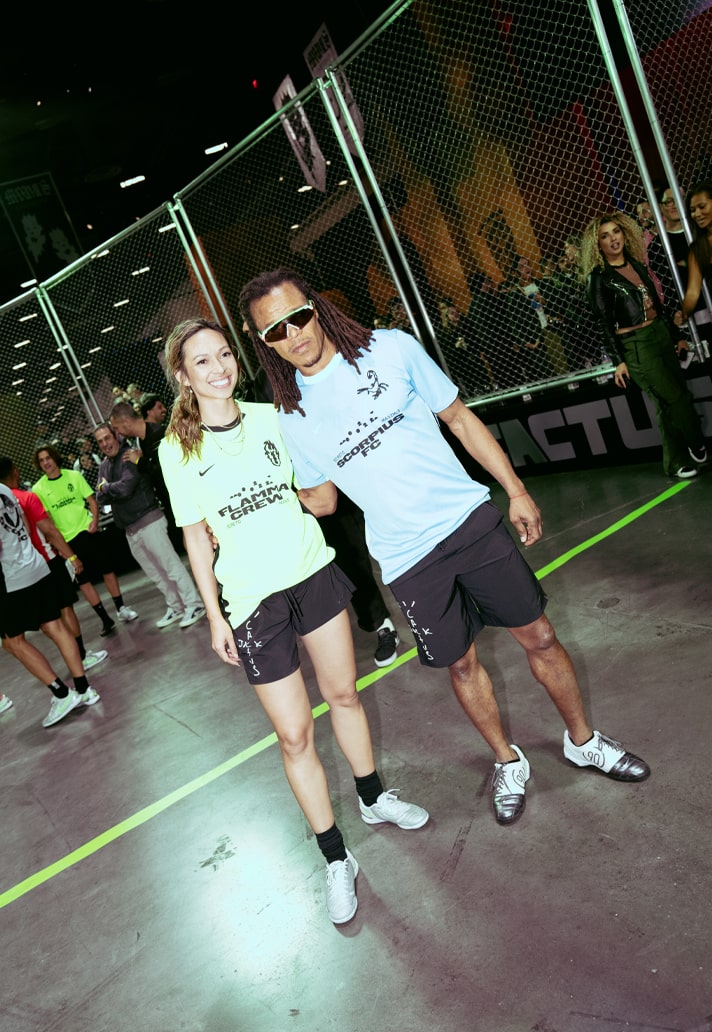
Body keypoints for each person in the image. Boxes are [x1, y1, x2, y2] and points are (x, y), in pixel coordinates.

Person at [238, 267, 651, 830]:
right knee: (461, 664)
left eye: (298, 317)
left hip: (467, 522)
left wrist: (515, 490)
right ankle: (507, 761)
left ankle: (584, 742)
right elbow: (324, 500)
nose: (293, 335)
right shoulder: (292, 416)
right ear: (264, 343)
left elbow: (458, 417)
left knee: (540, 636)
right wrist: (252, 506)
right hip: (406, 559)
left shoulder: (390, 348)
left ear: (317, 307)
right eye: (275, 331)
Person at [158, 317, 429, 925]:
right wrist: (214, 616)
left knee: (344, 696)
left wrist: (307, 498)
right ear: (183, 376)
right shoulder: (176, 450)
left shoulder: (272, 417)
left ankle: (373, 797)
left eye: (224, 354)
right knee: (294, 736)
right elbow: (196, 537)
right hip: (253, 603)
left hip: (312, 573)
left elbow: (317, 488)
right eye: (202, 361)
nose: (219, 368)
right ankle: (335, 857)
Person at [250, 365, 400, 668]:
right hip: (305, 487)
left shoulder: (310, 360)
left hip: (344, 469)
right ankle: (378, 625)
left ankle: (416, 607)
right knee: (343, 561)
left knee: (383, 541)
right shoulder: (261, 382)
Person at [581, 212, 707, 479]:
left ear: (625, 234)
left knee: (669, 401)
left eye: (616, 231)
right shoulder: (599, 278)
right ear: (597, 244)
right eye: (605, 236)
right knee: (674, 398)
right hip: (636, 344)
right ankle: (696, 443)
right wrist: (618, 361)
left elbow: (658, 306)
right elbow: (603, 322)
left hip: (659, 333)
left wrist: (676, 336)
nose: (613, 239)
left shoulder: (637, 265)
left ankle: (676, 462)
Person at [0, 483, 101, 728]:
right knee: (54, 626)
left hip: (11, 578)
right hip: (36, 566)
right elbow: (24, 526)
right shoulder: (4, 489)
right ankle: (84, 689)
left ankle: (62, 694)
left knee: (12, 641)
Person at [0, 456, 108, 672]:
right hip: (46, 561)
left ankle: (74, 663)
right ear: (15, 471)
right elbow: (49, 531)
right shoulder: (26, 498)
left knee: (47, 624)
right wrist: (71, 556)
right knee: (65, 611)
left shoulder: (8, 501)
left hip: (19, 572)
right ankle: (81, 658)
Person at [93, 423, 205, 629]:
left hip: (149, 521)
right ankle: (176, 606)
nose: (105, 444)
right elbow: (99, 497)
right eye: (100, 441)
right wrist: (106, 489)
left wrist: (106, 487)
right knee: (157, 575)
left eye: (107, 438)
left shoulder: (129, 455)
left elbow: (125, 488)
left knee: (171, 567)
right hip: (130, 530)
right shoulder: (104, 465)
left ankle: (194, 604)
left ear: (115, 435)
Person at [31, 444, 139, 635]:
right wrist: (60, 547)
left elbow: (91, 500)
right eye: (41, 460)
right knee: (84, 581)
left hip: (87, 531)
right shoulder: (38, 489)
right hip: (67, 541)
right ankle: (105, 619)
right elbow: (47, 521)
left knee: (107, 570)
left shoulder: (74, 476)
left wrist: (94, 521)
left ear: (55, 458)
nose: (46, 462)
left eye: (48, 458)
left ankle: (121, 608)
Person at [680, 181, 712, 339]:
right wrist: (683, 314)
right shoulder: (697, 249)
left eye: (702, 206)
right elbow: (693, 292)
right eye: (692, 210)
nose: (697, 214)